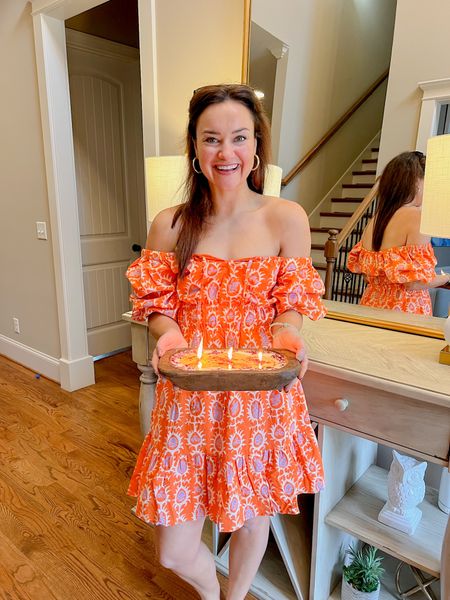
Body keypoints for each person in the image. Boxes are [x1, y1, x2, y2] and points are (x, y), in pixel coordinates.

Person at [126, 83, 326, 600]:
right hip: (189, 399)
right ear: (194, 147)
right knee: (172, 549)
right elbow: (157, 306)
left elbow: (291, 304)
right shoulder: (169, 225)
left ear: (256, 145)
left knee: (253, 515)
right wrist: (167, 333)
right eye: (211, 139)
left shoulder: (287, 218)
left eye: (238, 137)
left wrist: (287, 332)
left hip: (259, 398)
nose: (226, 152)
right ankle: (212, 592)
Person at [348, 151, 450, 315]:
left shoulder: (375, 219)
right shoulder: (417, 217)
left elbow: (368, 276)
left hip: (370, 307)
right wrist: (446, 277)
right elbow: (414, 283)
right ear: (417, 183)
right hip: (403, 311)